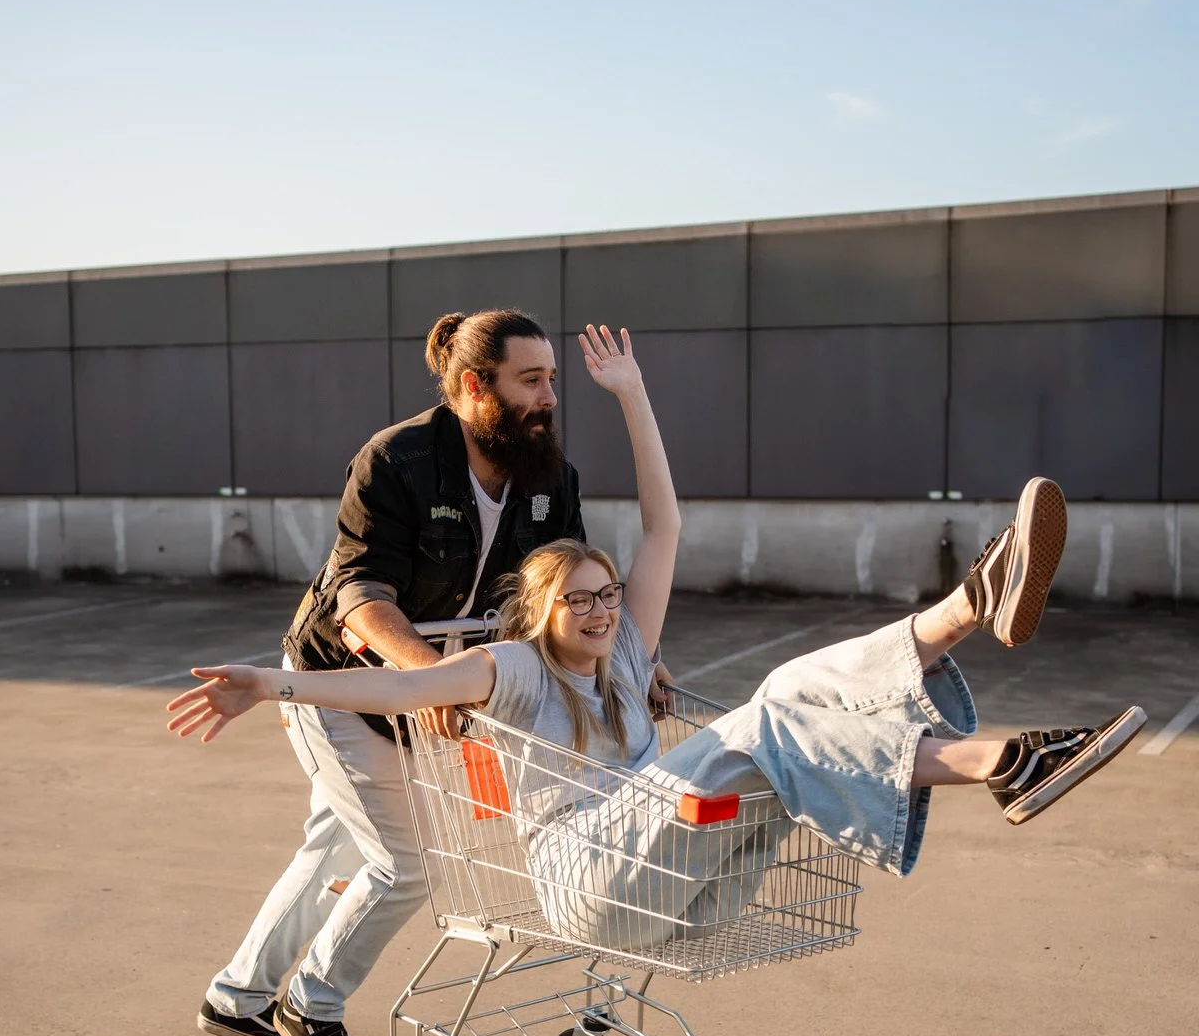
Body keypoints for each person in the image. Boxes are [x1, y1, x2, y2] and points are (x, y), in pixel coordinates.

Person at [172, 328, 1145, 958]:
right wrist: (269, 683)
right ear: (540, 611)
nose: (604, 612)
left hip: (685, 882)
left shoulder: (625, 655)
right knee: (760, 733)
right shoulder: (510, 670)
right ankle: (997, 761)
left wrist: (630, 393)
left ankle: (973, 601)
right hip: (588, 885)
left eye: (609, 596)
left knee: (788, 689)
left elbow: (665, 526)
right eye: (583, 602)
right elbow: (381, 692)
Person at [198, 308, 592, 1036]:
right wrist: (420, 679)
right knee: (406, 860)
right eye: (532, 381)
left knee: (335, 848)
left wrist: (631, 660)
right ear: (476, 386)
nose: (549, 397)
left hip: (434, 695)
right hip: (341, 688)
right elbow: (360, 595)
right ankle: (311, 1004)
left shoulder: (549, 477)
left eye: (552, 379)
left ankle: (236, 996)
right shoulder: (398, 460)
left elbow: (566, 586)